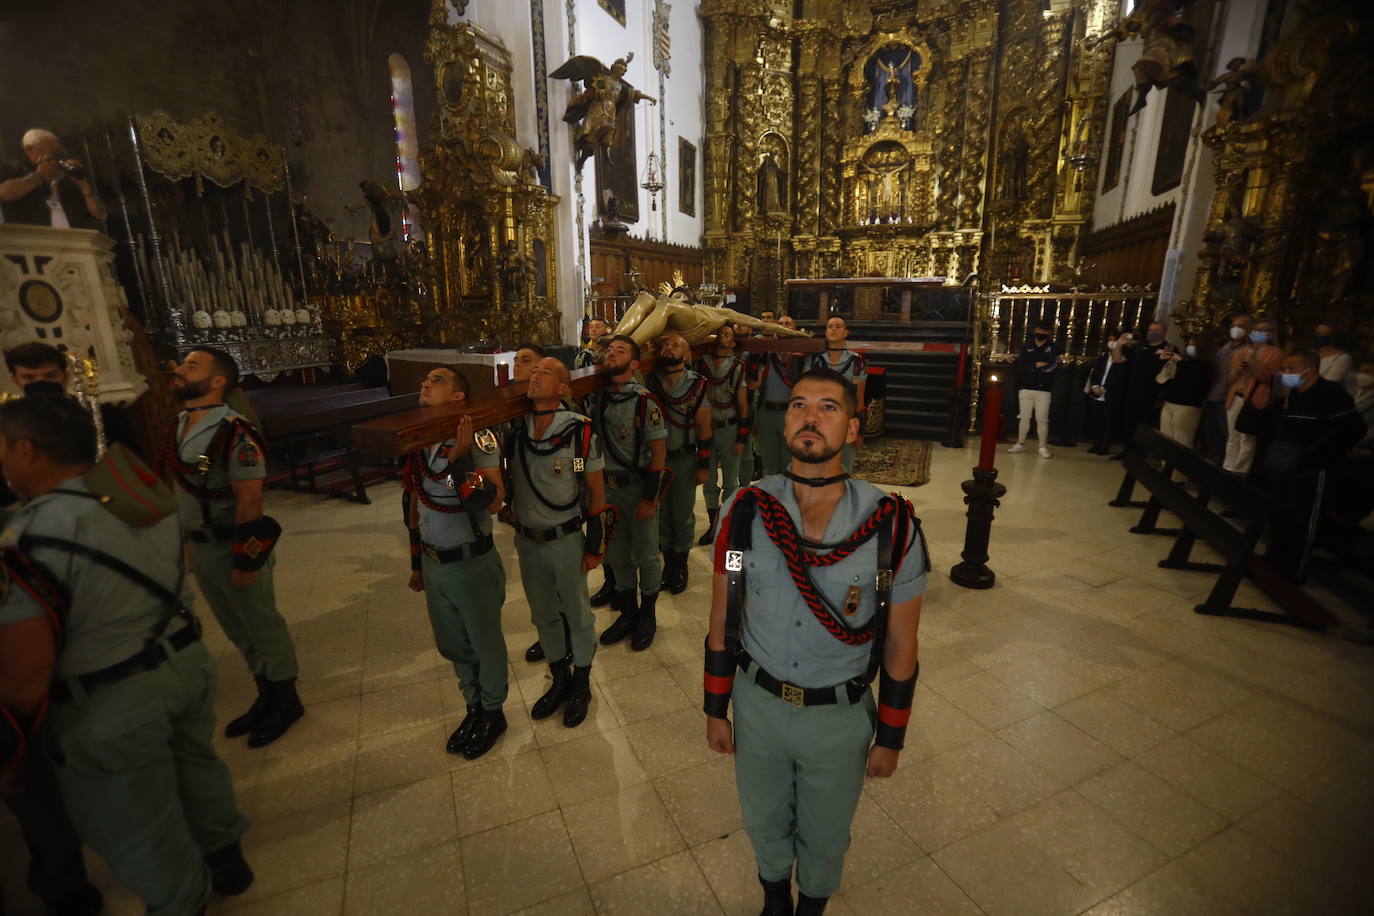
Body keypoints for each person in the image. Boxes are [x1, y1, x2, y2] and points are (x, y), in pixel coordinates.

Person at [0, 398, 253, 914]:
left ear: (26, 451)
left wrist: (13, 747)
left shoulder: (29, 536)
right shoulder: (140, 497)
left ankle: (182, 903)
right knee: (198, 768)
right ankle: (228, 859)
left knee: (138, 820)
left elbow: (26, 676)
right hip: (186, 664)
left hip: (111, 700)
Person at [704, 367, 928, 916]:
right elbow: (723, 615)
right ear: (783, 425)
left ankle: (813, 908)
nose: (810, 415)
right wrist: (716, 708)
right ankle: (775, 900)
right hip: (757, 705)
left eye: (829, 407)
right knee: (762, 819)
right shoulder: (744, 513)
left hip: (839, 716)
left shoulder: (890, 525)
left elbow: (902, 644)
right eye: (799, 404)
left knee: (827, 834)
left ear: (852, 429)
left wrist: (891, 738)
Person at [165, 348, 303, 747]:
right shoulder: (180, 423)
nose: (179, 369)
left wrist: (246, 560)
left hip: (235, 544)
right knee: (235, 626)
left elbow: (249, 502)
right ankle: (266, 694)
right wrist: (188, 545)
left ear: (217, 381)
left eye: (192, 365)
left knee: (261, 623)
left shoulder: (234, 430)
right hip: (203, 545)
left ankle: (287, 698)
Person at [402, 367, 509, 759]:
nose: (425, 384)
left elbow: (496, 503)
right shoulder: (420, 442)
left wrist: (462, 462)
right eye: (425, 379)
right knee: (453, 644)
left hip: (470, 562)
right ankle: (474, 705)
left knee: (485, 645)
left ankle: (493, 712)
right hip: (435, 564)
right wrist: (417, 563)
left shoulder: (476, 437)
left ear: (459, 397)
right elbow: (416, 508)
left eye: (438, 380)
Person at [504, 357, 609, 727]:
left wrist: (595, 546)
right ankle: (559, 678)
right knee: (543, 614)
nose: (536, 375)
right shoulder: (514, 429)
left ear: (563, 389)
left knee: (578, 615)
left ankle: (581, 682)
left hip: (565, 539)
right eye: (534, 371)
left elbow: (596, 491)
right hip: (528, 540)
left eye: (545, 372)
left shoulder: (579, 431)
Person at [587, 336, 668, 650]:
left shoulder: (644, 401)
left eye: (620, 350)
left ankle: (648, 613)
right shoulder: (600, 398)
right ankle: (628, 611)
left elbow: (658, 453)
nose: (612, 352)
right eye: (609, 349)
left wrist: (650, 498)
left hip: (637, 489)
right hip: (608, 489)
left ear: (634, 364)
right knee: (617, 553)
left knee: (647, 554)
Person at [1263, 351, 1366, 580]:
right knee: (1281, 511)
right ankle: (1275, 556)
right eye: (1285, 368)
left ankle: (1295, 567)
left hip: (1315, 467)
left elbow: (1355, 428)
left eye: (1291, 368)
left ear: (1309, 370)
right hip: (1287, 464)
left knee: (1304, 517)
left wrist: (1321, 455)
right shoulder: (1297, 393)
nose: (1285, 373)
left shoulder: (1331, 394)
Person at [646, 332, 712, 594]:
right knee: (660, 513)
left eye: (676, 345)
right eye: (665, 345)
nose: (669, 348)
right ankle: (668, 563)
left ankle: (681, 564)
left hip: (684, 457)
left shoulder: (697, 385)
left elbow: (705, 429)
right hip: (655, 460)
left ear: (686, 354)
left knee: (682, 514)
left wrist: (704, 465)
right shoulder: (651, 381)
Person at [5, 341, 143, 460]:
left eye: (50, 375)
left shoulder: (107, 416)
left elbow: (134, 466)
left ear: (66, 375)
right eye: (29, 378)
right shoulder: (9, 424)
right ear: (15, 380)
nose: (41, 383)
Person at [696, 322, 751, 544]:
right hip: (708, 430)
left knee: (731, 482)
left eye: (727, 334)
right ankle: (713, 525)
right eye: (720, 333)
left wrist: (741, 439)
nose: (722, 337)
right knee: (709, 481)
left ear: (733, 342)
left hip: (729, 428)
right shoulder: (703, 364)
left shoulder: (737, 367)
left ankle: (726, 526)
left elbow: (744, 406)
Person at [0, 129, 105, 230]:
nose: (56, 158)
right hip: (36, 244)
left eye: (59, 154)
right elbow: (3, 194)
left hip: (76, 243)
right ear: (30, 150)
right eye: (51, 152)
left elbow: (101, 215)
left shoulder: (68, 183)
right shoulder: (17, 174)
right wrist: (40, 175)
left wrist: (84, 184)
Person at [1223, 317, 1283, 476]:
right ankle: (1227, 469)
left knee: (1247, 440)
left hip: (1254, 400)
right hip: (1236, 396)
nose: (1258, 333)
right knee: (1232, 438)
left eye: (1263, 330)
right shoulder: (1242, 351)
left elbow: (1268, 379)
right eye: (1256, 330)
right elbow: (1230, 378)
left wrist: (1253, 362)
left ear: (1270, 335)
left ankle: (1239, 472)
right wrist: (1237, 370)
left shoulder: (1275, 353)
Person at [811, 316, 867, 471]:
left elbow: (859, 397)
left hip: (844, 421)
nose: (833, 329)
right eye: (830, 326)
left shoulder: (857, 362)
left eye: (838, 326)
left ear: (846, 332)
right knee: (817, 466)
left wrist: (858, 430)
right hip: (818, 421)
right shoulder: (814, 360)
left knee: (843, 469)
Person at [1204, 314, 1253, 465]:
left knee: (1228, 438)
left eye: (1240, 326)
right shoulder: (1226, 346)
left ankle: (1224, 472)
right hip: (1213, 396)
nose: (1235, 329)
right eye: (1233, 326)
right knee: (1211, 437)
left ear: (1249, 329)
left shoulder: (1248, 350)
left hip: (1228, 399)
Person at [1116, 320, 1168, 459]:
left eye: (1156, 330)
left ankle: (1140, 454)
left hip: (1151, 395)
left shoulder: (1168, 348)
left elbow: (1170, 376)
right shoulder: (1140, 347)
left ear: (1164, 332)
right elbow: (1118, 359)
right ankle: (1127, 451)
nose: (1152, 332)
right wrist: (1119, 345)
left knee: (1145, 426)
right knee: (1129, 423)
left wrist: (1162, 397)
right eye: (1151, 329)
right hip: (1133, 392)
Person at [1008, 321, 1058, 458]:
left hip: (1044, 389)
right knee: (1024, 417)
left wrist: (1033, 367)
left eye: (1044, 330)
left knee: (1042, 419)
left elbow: (1052, 366)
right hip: (1026, 387)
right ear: (1035, 330)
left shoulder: (1053, 348)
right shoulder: (1027, 347)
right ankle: (1020, 443)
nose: (1041, 332)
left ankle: (1042, 446)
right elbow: (1021, 365)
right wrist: (1036, 365)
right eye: (1039, 329)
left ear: (1048, 332)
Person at [1155, 337, 1211, 449]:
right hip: (1170, 403)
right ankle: (1165, 465)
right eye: (1189, 345)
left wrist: (1181, 363)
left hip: (1187, 407)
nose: (1190, 348)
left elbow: (1194, 382)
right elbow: (1166, 379)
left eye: (1193, 346)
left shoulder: (1205, 365)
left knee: (1182, 442)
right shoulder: (1184, 361)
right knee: (1165, 440)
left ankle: (1179, 467)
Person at [1084, 334, 1129, 455]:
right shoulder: (1103, 356)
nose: (1112, 343)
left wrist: (1104, 388)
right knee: (1097, 420)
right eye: (1110, 340)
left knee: (1108, 421)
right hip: (1097, 392)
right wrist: (1094, 386)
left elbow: (1119, 377)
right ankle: (1096, 443)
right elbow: (1096, 372)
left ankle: (1105, 445)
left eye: (1114, 340)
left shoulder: (1123, 358)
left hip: (1111, 393)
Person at [1314, 322, 1355, 395]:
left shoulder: (1342, 358)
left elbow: (1330, 384)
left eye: (1326, 333)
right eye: (1318, 333)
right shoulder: (1311, 354)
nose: (1321, 336)